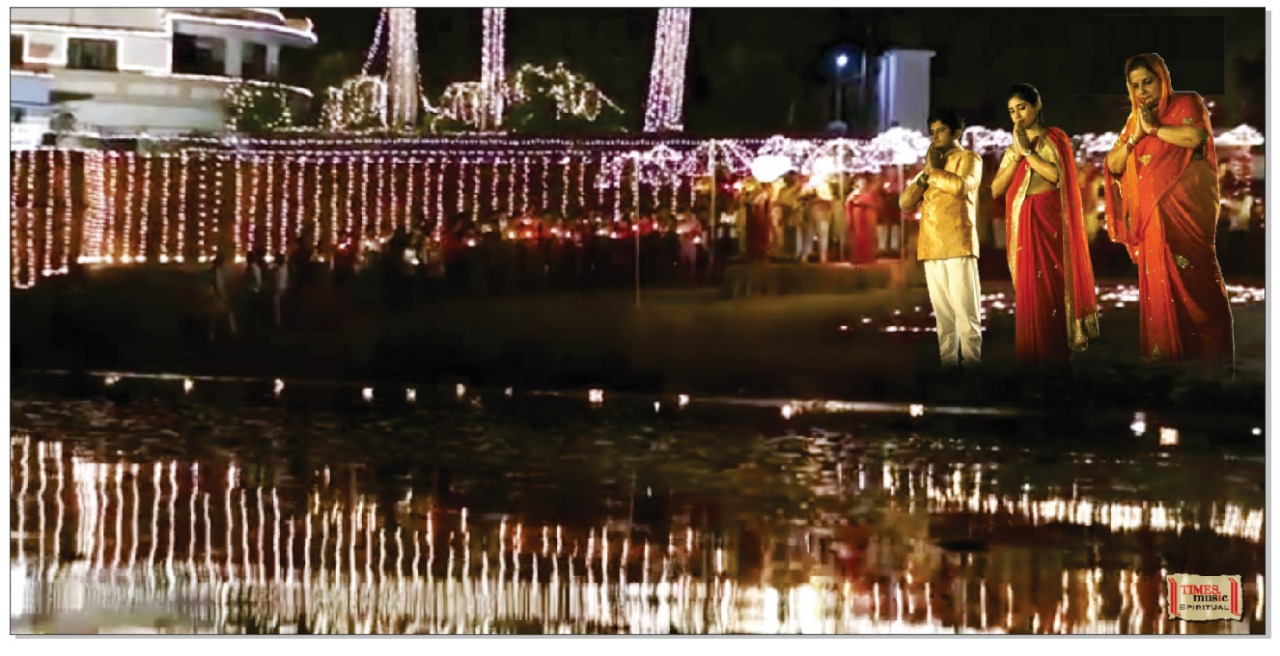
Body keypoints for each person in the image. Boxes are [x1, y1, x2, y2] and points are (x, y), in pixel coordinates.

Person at [1103, 53, 1234, 363]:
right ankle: (1166, 366)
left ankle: (1212, 364)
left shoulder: (1187, 103)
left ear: (1163, 80)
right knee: (1160, 295)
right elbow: (1113, 163)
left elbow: (1196, 137)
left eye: (1147, 82)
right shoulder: (1135, 120)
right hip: (1153, 227)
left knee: (1200, 286)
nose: (1141, 91)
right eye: (1134, 86)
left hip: (1187, 219)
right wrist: (1137, 134)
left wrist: (1155, 130)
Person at [991, 83, 1100, 366]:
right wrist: (1017, 155)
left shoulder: (1055, 138)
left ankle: (1055, 354)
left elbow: (1057, 176)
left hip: (1049, 221)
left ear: (1036, 106)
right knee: (1030, 291)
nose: (1017, 116)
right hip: (1025, 220)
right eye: (1012, 111)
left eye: (1022, 108)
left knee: (1051, 287)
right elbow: (996, 189)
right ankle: (1031, 356)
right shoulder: (1013, 148)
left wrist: (1029, 153)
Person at [899, 108, 984, 369]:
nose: (934, 137)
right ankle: (948, 367)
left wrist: (934, 172)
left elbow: (961, 186)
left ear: (957, 132)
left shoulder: (969, 158)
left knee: (965, 314)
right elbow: (904, 203)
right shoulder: (930, 167)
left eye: (941, 131)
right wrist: (925, 175)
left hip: (959, 242)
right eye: (932, 132)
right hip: (932, 245)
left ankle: (971, 368)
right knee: (943, 317)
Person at [845, 175, 879, 265]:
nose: (862, 184)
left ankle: (867, 258)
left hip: (867, 216)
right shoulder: (854, 194)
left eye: (864, 183)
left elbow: (874, 205)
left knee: (867, 236)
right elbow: (848, 204)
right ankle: (857, 258)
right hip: (857, 216)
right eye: (860, 182)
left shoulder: (870, 194)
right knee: (858, 236)